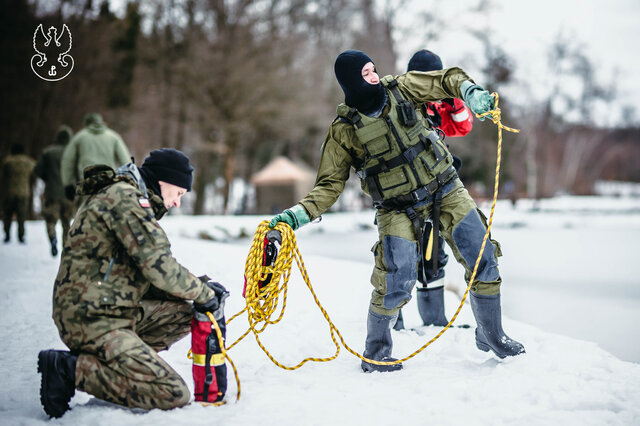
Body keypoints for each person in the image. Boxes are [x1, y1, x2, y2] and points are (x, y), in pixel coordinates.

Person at [269, 49, 524, 373]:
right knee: (396, 280)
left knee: (483, 257)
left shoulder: (403, 88)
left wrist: (470, 93)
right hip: (396, 209)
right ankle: (376, 352)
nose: (374, 76)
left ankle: (493, 336)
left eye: (374, 69)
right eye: (366, 73)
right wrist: (294, 217)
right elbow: (328, 186)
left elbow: (448, 79)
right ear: (350, 81)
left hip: (445, 188)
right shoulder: (344, 130)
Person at [38, 148, 229, 418]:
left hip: (109, 308)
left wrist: (200, 287)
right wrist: (202, 292)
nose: (176, 204)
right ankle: (71, 369)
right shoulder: (125, 199)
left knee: (186, 315)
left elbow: (147, 274)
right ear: (163, 181)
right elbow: (158, 266)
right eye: (178, 194)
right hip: (92, 318)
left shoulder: (124, 194)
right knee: (173, 393)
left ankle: (125, 361)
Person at [394, 49, 475, 330]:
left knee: (433, 255)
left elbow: (463, 127)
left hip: (436, 190)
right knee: (399, 257)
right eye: (427, 77)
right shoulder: (398, 101)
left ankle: (434, 322)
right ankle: (394, 323)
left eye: (436, 77)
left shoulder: (441, 105)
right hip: (402, 194)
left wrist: (454, 101)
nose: (431, 83)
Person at [60, 112, 131, 205]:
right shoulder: (113, 137)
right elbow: (126, 161)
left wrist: (68, 184)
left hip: (88, 185)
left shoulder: (79, 137)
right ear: (101, 122)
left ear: (86, 123)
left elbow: (67, 162)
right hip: (109, 183)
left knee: (88, 215)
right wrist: (129, 180)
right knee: (109, 214)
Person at [34, 125, 75, 256]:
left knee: (51, 220)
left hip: (52, 192)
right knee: (67, 221)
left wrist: (47, 178)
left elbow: (37, 170)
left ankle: (52, 237)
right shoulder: (73, 153)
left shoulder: (48, 152)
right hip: (69, 193)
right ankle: (66, 246)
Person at [2, 144, 36, 243]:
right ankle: (21, 235)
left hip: (9, 192)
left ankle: (7, 234)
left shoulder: (7, 162)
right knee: (21, 215)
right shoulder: (27, 162)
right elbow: (36, 169)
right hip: (23, 192)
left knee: (7, 214)